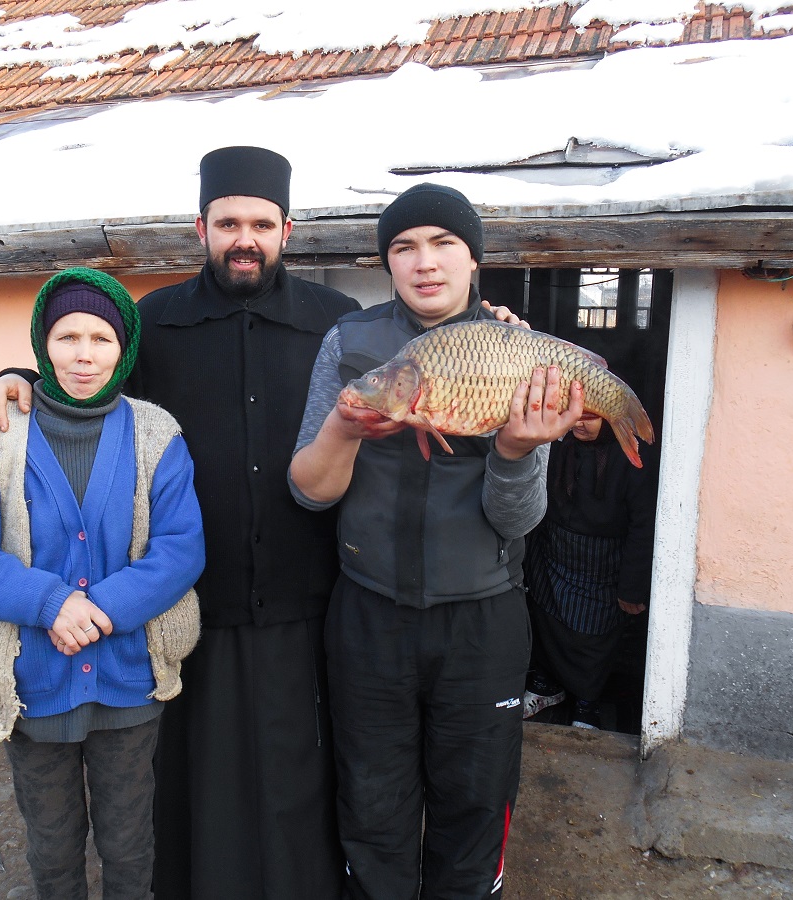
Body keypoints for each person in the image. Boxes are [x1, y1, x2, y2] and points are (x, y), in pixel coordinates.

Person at [0, 147, 359, 900]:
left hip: (300, 590)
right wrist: (13, 379)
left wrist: (490, 317)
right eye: (229, 222)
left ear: (288, 230)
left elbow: (415, 357)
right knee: (180, 777)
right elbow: (84, 385)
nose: (246, 237)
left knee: (295, 767)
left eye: (262, 224)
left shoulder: (336, 323)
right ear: (200, 226)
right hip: (180, 603)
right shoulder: (155, 322)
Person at [288, 183, 585, 900]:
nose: (425, 262)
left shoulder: (518, 351)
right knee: (372, 799)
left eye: (444, 243)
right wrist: (345, 427)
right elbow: (307, 490)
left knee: (476, 802)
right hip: (368, 613)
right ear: (387, 262)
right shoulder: (350, 343)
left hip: (482, 621)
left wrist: (515, 452)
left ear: (474, 258)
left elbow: (517, 524)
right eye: (404, 247)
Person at [0, 267, 206, 899]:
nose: (84, 355)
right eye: (66, 337)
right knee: (53, 846)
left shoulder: (155, 433)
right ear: (42, 345)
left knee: (129, 841)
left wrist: (101, 610)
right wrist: (51, 604)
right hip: (33, 683)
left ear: (124, 351)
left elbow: (179, 550)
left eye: (100, 339)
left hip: (130, 682)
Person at [521, 411, 657, 729]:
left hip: (601, 562)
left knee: (592, 634)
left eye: (590, 418)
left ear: (610, 418)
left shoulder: (631, 454)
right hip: (552, 552)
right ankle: (547, 686)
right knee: (544, 616)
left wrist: (632, 588)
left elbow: (643, 525)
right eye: (575, 416)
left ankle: (587, 702)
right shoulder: (558, 443)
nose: (579, 424)